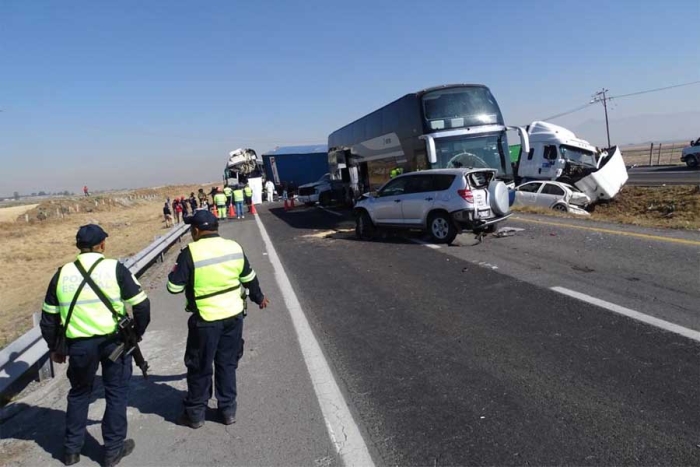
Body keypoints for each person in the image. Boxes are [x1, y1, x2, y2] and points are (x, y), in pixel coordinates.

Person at [39, 224, 150, 466]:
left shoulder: (61, 274)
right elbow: (141, 305)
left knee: (78, 394)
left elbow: (48, 319)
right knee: (116, 393)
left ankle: (71, 451)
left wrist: (55, 348)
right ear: (102, 245)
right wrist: (137, 334)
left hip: (79, 346)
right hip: (114, 343)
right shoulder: (115, 268)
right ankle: (112, 450)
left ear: (79, 247)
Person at [166, 211, 269, 429]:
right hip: (233, 317)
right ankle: (227, 411)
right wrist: (259, 298)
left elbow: (173, 288)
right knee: (227, 364)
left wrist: (177, 272)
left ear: (195, 231)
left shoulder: (189, 253)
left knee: (199, 366)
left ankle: (195, 415)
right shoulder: (234, 247)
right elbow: (249, 278)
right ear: (216, 228)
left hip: (205, 320)